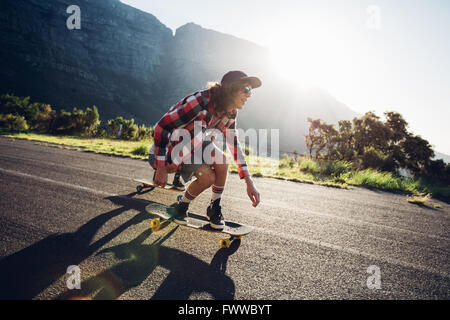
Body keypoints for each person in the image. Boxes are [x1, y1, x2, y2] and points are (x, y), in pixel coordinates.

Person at [148, 71, 261, 230]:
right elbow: (162, 127)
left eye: (251, 90)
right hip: (165, 152)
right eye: (246, 89)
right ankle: (181, 200)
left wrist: (249, 183)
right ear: (231, 89)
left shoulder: (231, 112)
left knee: (218, 166)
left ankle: (204, 207)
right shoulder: (200, 101)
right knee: (208, 167)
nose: (249, 95)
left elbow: (234, 146)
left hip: (190, 147)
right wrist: (160, 167)